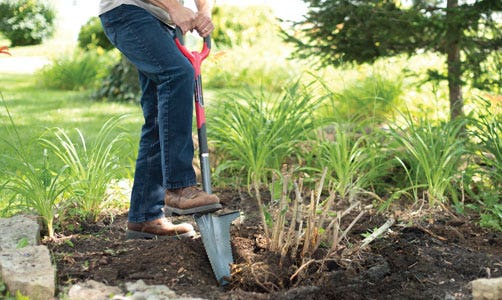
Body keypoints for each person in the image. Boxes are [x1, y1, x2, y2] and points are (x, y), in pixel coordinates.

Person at [98, 0, 222, 240]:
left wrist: (204, 13)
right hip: (129, 10)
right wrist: (175, 7)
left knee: (159, 116)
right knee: (178, 73)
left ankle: (145, 216)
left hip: (162, 20)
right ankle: (179, 186)